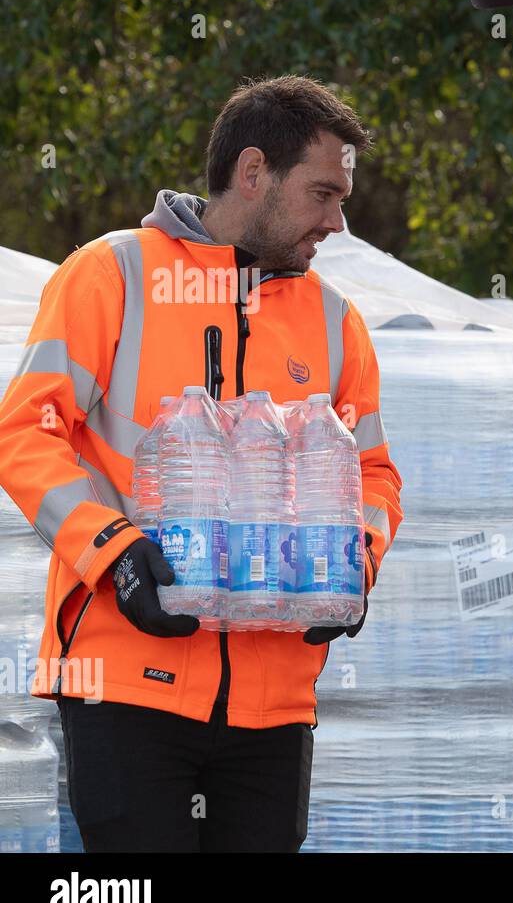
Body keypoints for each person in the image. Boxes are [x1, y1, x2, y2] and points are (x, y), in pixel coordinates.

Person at [0, 75, 403, 851]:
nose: (338, 220)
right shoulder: (110, 274)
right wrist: (113, 551)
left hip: (276, 704)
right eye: (323, 193)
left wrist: (359, 555)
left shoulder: (335, 322)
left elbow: (376, 475)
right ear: (253, 172)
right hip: (124, 685)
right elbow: (25, 432)